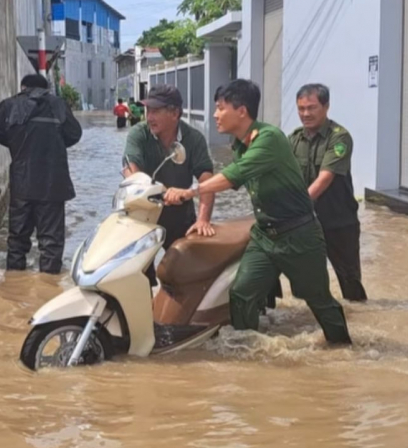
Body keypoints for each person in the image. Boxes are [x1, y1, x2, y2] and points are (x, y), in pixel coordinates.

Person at [164, 79, 352, 345]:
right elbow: (235, 181)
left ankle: (343, 349)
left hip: (299, 236)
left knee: (318, 300)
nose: (215, 115)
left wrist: (190, 191)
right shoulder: (241, 144)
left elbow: (233, 176)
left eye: (220, 108)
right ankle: (249, 349)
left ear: (241, 111)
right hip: (265, 236)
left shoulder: (270, 138)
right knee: (241, 293)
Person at [0, 74, 82, 274]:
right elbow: (74, 134)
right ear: (46, 88)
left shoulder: (10, 105)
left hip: (22, 184)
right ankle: (50, 290)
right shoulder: (58, 105)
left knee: (17, 240)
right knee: (51, 243)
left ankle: (14, 289)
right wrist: (54, 142)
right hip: (53, 184)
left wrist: (13, 140)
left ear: (23, 87)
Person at [289, 84, 367, 302]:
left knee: (350, 283)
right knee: (304, 283)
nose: (305, 114)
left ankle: (358, 319)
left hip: (339, 223)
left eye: (311, 108)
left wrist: (295, 207)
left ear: (326, 107)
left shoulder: (339, 138)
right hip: (306, 224)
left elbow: (325, 178)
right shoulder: (293, 140)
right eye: (301, 109)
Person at [122, 84, 216, 251]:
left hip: (180, 215)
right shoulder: (138, 134)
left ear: (175, 113)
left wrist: (203, 220)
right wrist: (155, 190)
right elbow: (131, 169)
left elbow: (207, 181)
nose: (149, 117)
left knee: (184, 270)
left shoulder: (194, 139)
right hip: (144, 214)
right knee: (138, 271)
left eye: (156, 111)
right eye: (148, 110)